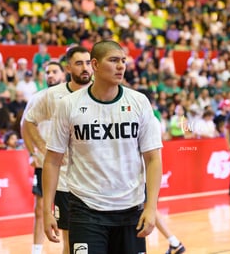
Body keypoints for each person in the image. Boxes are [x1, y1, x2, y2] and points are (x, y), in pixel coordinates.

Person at [42, 40, 163, 253]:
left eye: (123, 61)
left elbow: (153, 159)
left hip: (130, 210)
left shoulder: (139, 102)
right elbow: (52, 160)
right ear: (95, 65)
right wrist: (47, 210)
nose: (121, 66)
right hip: (85, 209)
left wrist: (151, 207)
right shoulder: (69, 105)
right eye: (114, 60)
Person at [23, 46, 93, 254]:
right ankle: (36, 249)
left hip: (94, 178)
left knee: (92, 238)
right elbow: (27, 121)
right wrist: (40, 149)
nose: (85, 68)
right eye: (79, 63)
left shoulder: (100, 92)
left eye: (88, 63)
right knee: (71, 240)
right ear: (68, 67)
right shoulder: (51, 96)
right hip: (64, 179)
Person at [20, 61, 66, 254]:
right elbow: (25, 126)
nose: (50, 75)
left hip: (67, 164)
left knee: (68, 213)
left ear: (64, 74)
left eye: (55, 71)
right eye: (48, 72)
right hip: (44, 162)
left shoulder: (71, 97)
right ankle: (37, 251)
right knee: (40, 208)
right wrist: (33, 152)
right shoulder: (37, 98)